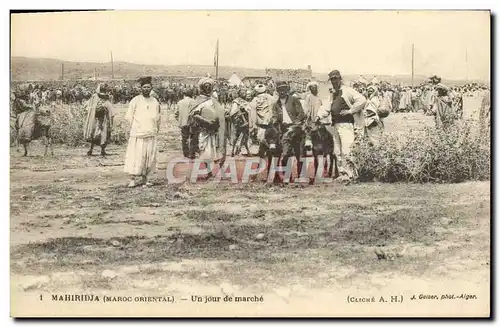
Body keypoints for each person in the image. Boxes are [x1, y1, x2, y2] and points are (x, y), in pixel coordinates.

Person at [315, 70, 367, 181]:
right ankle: (342, 173)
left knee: (347, 150)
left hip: (346, 125)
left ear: (340, 79)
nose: (334, 81)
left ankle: (351, 175)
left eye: (336, 78)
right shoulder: (333, 94)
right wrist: (318, 116)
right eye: (332, 79)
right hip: (335, 126)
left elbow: (362, 100)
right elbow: (326, 107)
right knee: (337, 151)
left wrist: (351, 111)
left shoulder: (348, 91)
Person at [124, 76, 161, 188]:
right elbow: (129, 117)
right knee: (136, 156)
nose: (146, 89)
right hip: (138, 134)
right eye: (144, 87)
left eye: (148, 87)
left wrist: (155, 129)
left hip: (150, 133)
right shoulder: (135, 100)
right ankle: (132, 179)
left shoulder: (154, 101)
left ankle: (146, 179)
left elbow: (158, 117)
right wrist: (134, 128)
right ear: (141, 88)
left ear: (151, 88)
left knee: (148, 157)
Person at [270, 81, 307, 181]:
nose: (282, 92)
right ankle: (287, 176)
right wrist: (274, 121)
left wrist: (295, 126)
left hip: (297, 129)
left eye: (284, 89)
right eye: (280, 90)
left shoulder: (294, 100)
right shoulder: (275, 105)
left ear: (287, 90)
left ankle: (301, 176)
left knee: (300, 154)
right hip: (284, 131)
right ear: (277, 91)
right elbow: (274, 117)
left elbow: (301, 115)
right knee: (286, 154)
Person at [188, 77, 226, 168]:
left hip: (215, 130)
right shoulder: (198, 101)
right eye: (206, 86)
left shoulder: (214, 100)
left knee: (214, 150)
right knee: (205, 151)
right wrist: (207, 122)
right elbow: (194, 115)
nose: (208, 88)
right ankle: (208, 171)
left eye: (209, 86)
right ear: (202, 88)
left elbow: (220, 111)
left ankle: (217, 170)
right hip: (203, 130)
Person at [83, 83, 115, 157]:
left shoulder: (107, 99)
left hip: (103, 119)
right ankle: (91, 149)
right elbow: (88, 106)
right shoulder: (94, 97)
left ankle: (102, 150)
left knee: (103, 134)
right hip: (95, 119)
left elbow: (110, 109)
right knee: (94, 134)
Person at [249, 84, 276, 153]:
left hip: (260, 121)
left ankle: (265, 147)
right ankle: (271, 145)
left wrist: (253, 124)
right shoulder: (270, 97)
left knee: (261, 135)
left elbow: (253, 111)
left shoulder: (255, 99)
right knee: (270, 133)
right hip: (269, 119)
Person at [175, 88, 196, 158]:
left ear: (184, 94)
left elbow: (176, 113)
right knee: (193, 138)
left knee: (184, 138)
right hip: (193, 123)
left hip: (183, 123)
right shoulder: (195, 102)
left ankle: (186, 153)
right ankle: (192, 153)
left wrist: (180, 120)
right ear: (192, 94)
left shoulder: (180, 102)